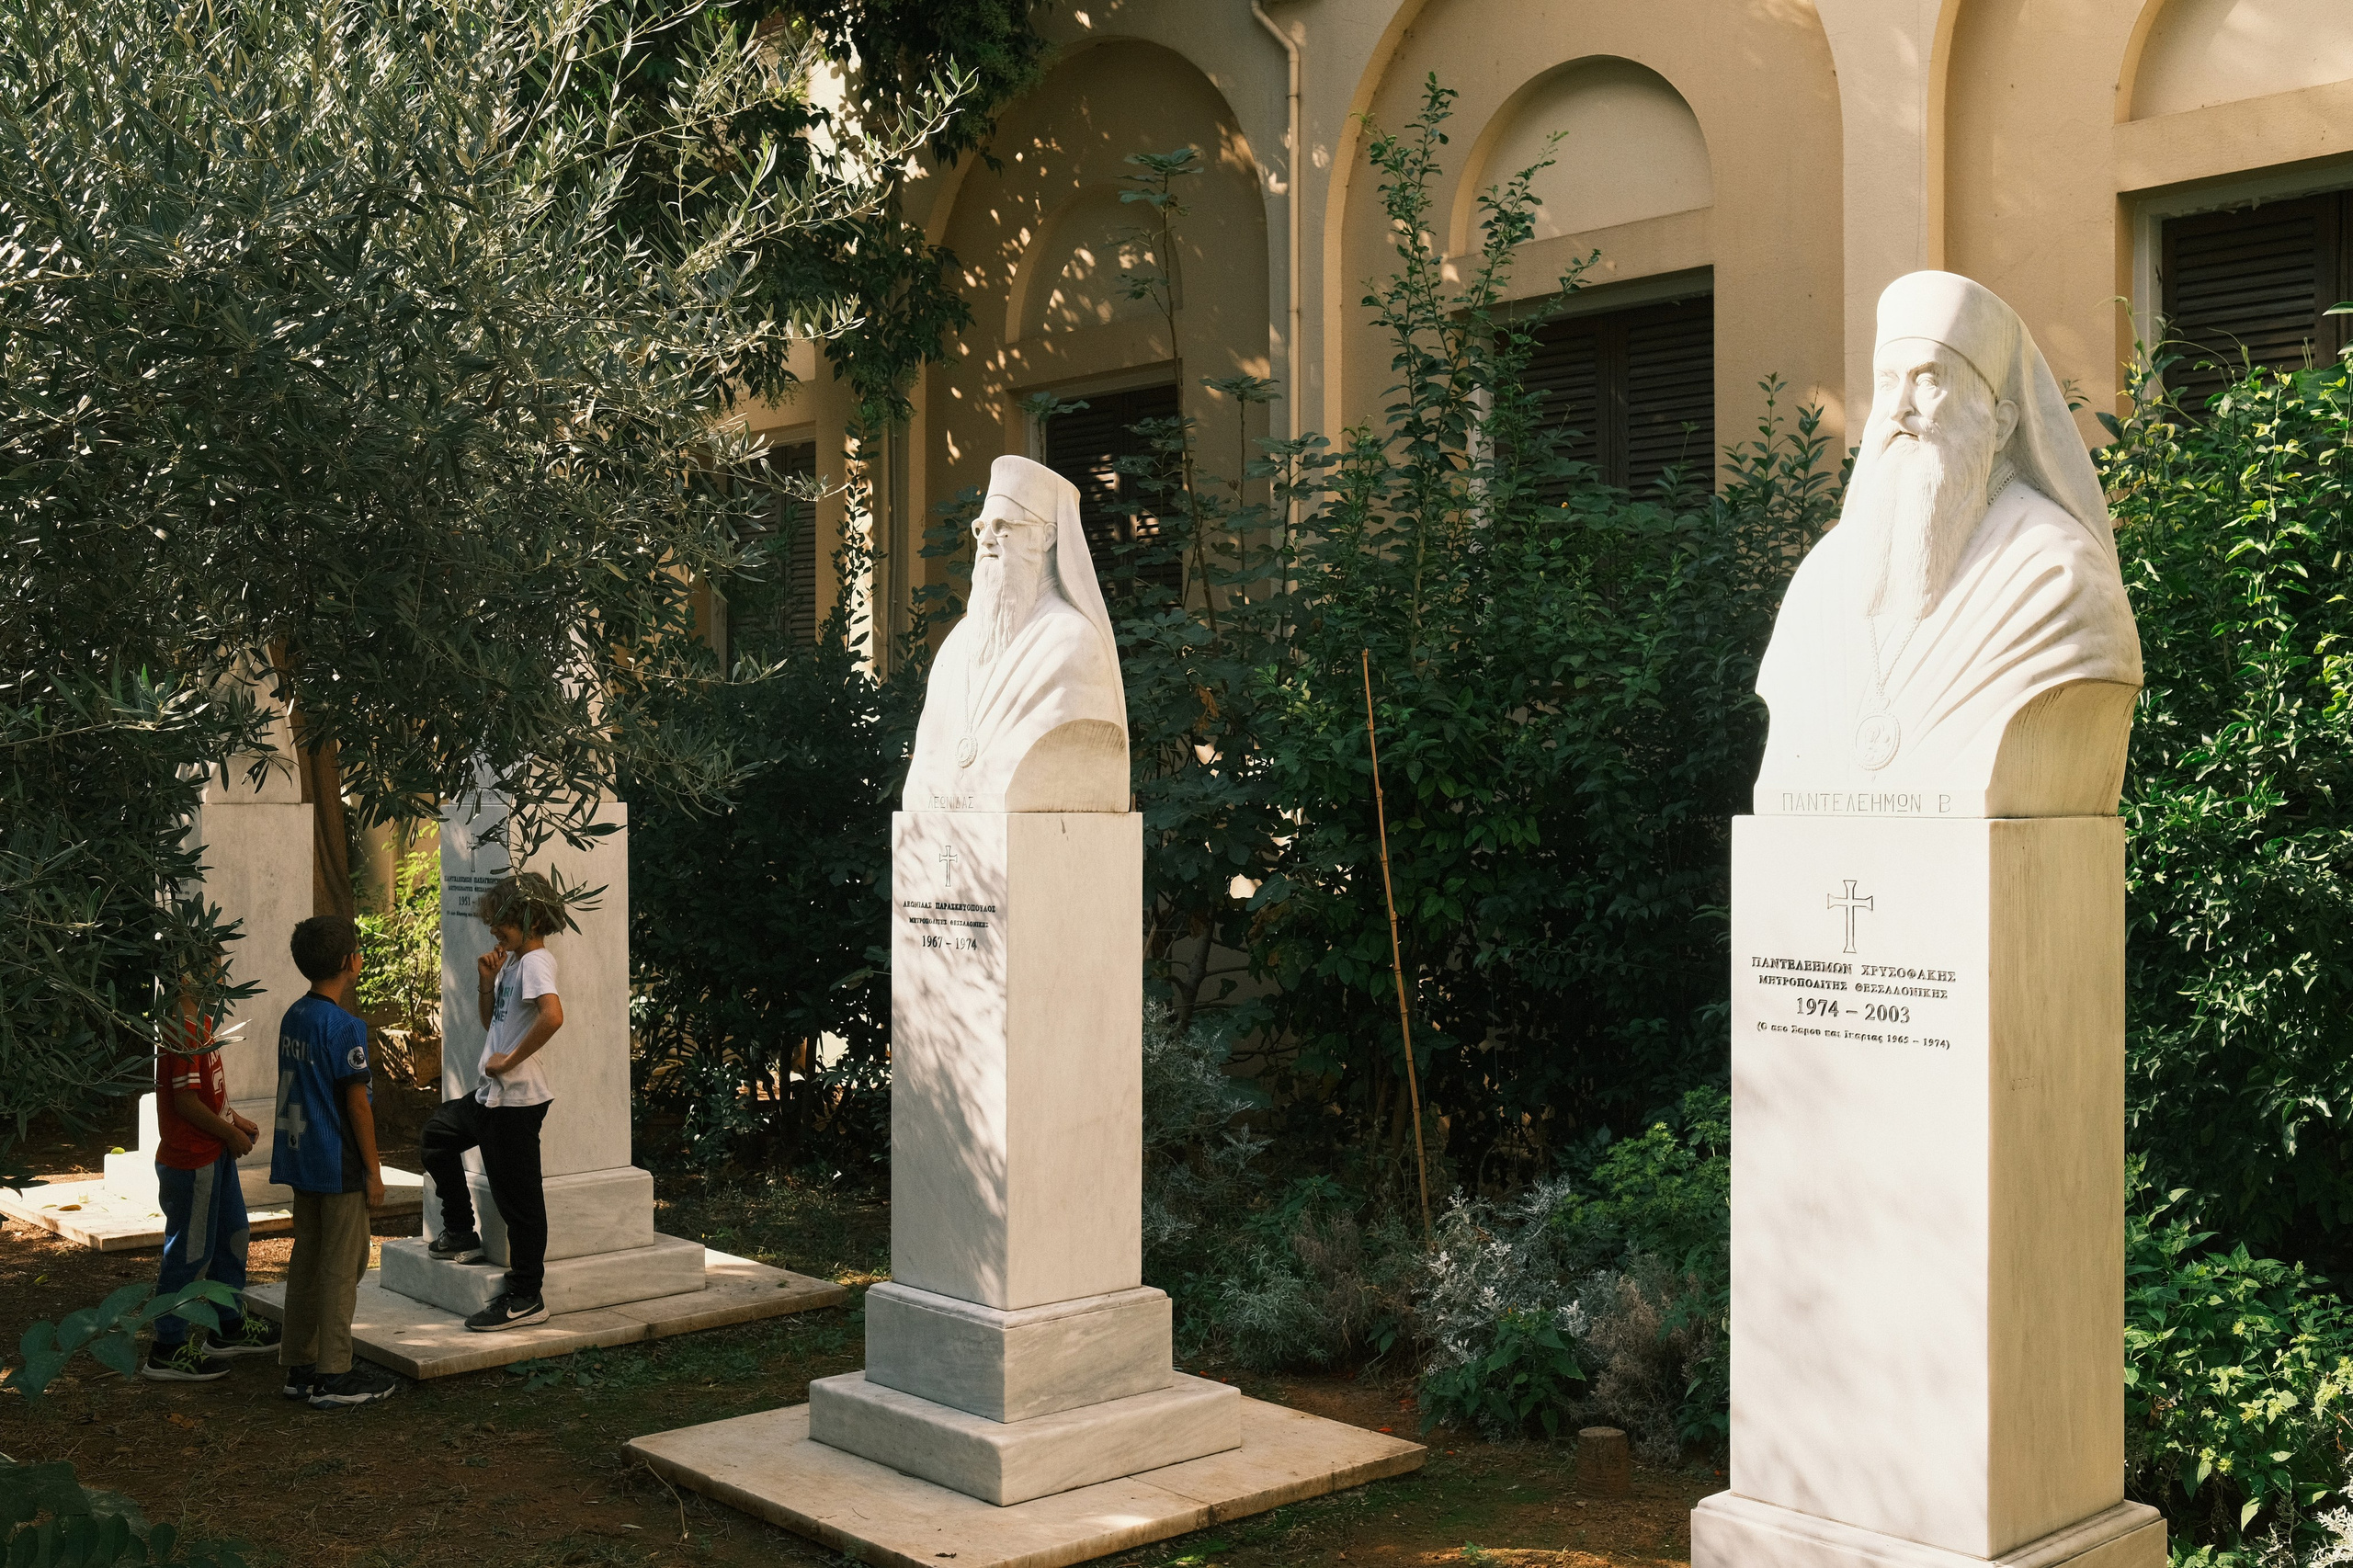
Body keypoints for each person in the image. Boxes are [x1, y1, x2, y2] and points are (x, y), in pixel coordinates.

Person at [418, 871, 565, 1332]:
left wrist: (511, 1061)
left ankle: (526, 1296)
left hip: (517, 1101)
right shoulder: (514, 963)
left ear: (527, 916)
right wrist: (487, 981)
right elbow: (493, 1024)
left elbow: (553, 1016)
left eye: (500, 922)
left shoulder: (537, 961)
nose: (493, 931)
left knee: (519, 1201)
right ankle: (461, 1229)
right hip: (492, 1098)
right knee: (437, 1137)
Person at [271, 915, 398, 1409]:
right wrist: (374, 1170)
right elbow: (357, 1104)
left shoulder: (294, 1016)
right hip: (337, 1162)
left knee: (306, 1260)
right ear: (349, 962)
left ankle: (299, 1366)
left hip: (301, 1159)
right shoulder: (346, 1027)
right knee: (343, 1268)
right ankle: (334, 1374)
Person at [140, 1002, 281, 1381]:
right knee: (190, 1252)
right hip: (192, 1160)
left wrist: (234, 1120)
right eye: (211, 961)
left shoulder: (203, 1020)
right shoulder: (180, 1028)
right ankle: (167, 1347)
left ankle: (228, 1326)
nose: (219, 971)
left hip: (215, 1153)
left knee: (232, 1235)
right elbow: (185, 1102)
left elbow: (209, 1093)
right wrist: (230, 1134)